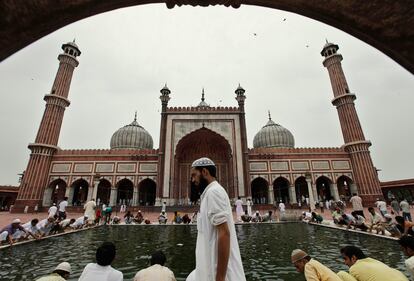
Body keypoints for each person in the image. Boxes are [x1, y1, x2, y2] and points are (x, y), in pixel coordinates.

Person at [186, 157, 245, 281]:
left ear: (205, 172)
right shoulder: (208, 194)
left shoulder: (214, 192)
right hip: (209, 268)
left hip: (218, 272)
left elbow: (224, 234)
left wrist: (220, 277)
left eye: (194, 175)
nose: (192, 180)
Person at [340, 245, 408, 281]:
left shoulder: (354, 268)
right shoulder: (374, 262)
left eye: (345, 259)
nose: (345, 263)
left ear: (353, 258)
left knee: (341, 274)